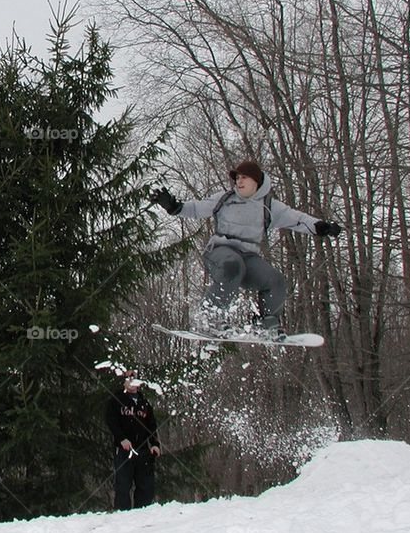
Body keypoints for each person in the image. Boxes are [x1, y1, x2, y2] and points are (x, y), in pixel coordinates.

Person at [150, 160, 342, 339]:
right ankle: (210, 318)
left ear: (256, 181)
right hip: (220, 251)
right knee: (233, 266)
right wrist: (173, 206)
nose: (239, 181)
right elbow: (195, 209)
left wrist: (321, 226)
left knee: (275, 281)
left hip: (249, 257)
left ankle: (266, 324)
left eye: (244, 178)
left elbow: (297, 219)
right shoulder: (224, 199)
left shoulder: (269, 206)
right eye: (237, 178)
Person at [105, 371, 160, 510]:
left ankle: (142, 514)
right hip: (124, 450)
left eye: (134, 378)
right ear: (124, 381)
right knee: (123, 485)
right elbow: (111, 421)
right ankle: (123, 516)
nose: (132, 382)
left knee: (146, 486)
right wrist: (121, 439)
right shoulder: (116, 400)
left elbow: (151, 426)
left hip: (143, 450)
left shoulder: (144, 403)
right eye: (128, 378)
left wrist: (154, 444)